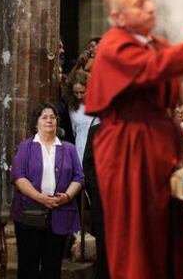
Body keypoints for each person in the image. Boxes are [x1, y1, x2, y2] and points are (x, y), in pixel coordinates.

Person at [84, 0, 183, 279]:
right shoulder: (114, 46)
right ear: (118, 17)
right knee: (139, 234)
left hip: (159, 145)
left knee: (164, 230)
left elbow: (178, 68)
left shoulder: (154, 45)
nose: (151, 7)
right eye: (140, 3)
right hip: (131, 150)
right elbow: (156, 67)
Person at [10, 102, 84, 279]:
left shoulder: (69, 149)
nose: (49, 120)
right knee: (28, 266)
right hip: (30, 214)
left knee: (53, 266)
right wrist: (40, 198)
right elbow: (18, 176)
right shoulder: (25, 147)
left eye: (53, 117)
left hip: (60, 212)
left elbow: (78, 177)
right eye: (44, 117)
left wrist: (66, 196)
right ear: (36, 124)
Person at [82, 119, 109, 279]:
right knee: (104, 251)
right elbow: (88, 165)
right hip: (103, 202)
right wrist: (100, 189)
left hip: (130, 205)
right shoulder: (96, 131)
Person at [62, 68, 98, 163]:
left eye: (82, 92)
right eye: (76, 93)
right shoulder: (71, 107)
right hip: (79, 147)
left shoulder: (98, 104)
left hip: (96, 148)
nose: (79, 96)